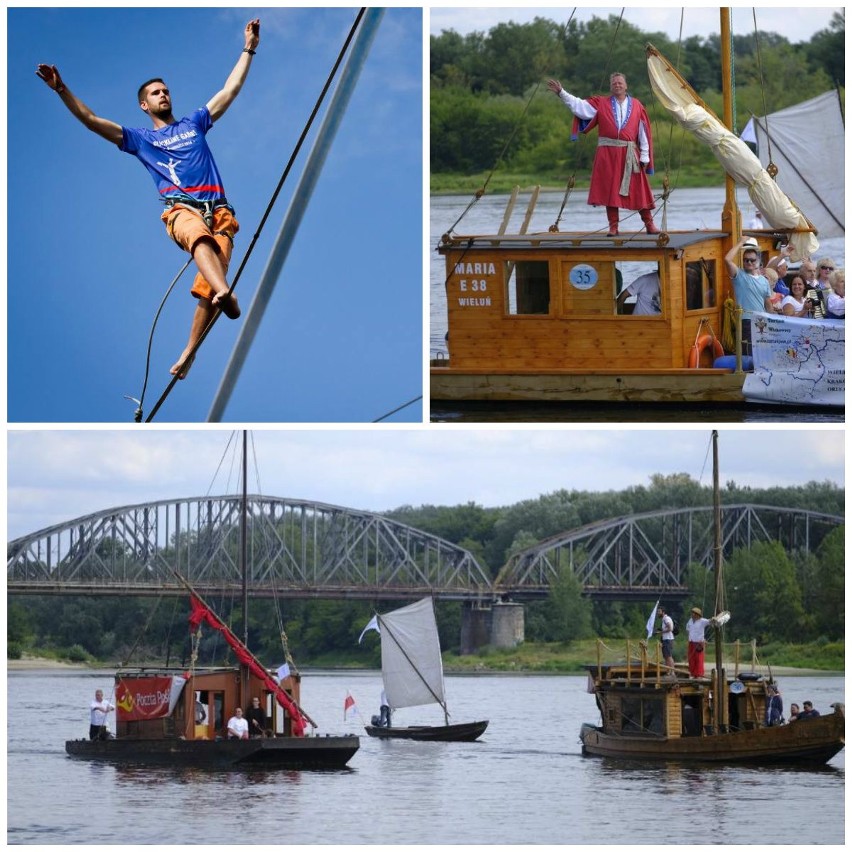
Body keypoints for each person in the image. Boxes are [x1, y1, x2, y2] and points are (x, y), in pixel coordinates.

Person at [36, 19, 261, 380]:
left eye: (166, 91)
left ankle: (191, 349)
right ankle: (227, 293)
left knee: (208, 286)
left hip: (219, 212)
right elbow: (92, 120)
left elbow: (229, 90)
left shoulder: (194, 123)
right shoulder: (141, 139)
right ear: (144, 104)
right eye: (156, 93)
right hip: (181, 208)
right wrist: (61, 89)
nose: (163, 95)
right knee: (199, 242)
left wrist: (249, 48)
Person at [547, 74, 656, 236]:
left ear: (626, 86)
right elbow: (579, 106)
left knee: (639, 189)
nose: (617, 85)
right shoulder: (601, 103)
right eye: (614, 83)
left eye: (620, 83)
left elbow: (643, 132)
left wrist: (645, 155)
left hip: (630, 153)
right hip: (607, 154)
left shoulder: (637, 105)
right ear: (611, 87)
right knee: (610, 191)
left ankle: (649, 224)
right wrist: (562, 93)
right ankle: (614, 227)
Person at [724, 237, 773, 356]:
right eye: (746, 260)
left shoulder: (764, 280)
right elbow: (727, 259)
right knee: (749, 355)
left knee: (762, 354)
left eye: (752, 260)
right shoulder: (739, 275)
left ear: (758, 261)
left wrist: (772, 322)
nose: (749, 262)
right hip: (746, 321)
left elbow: (768, 304)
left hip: (762, 321)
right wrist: (740, 242)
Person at [684, 607, 711, 677]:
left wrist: (713, 619)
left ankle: (699, 674)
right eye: (692, 613)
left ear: (697, 615)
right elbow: (687, 629)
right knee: (691, 659)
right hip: (691, 642)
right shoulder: (690, 620)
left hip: (699, 643)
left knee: (699, 659)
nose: (692, 614)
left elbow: (710, 621)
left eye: (694, 613)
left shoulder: (702, 621)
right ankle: (693, 673)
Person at [654, 605, 675, 670]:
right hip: (665, 639)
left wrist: (660, 632)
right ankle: (668, 671)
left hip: (668, 639)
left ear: (663, 612)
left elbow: (670, 628)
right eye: (658, 611)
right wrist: (659, 630)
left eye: (659, 611)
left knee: (668, 656)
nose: (658, 613)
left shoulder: (666, 618)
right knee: (666, 656)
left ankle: (672, 672)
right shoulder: (664, 619)